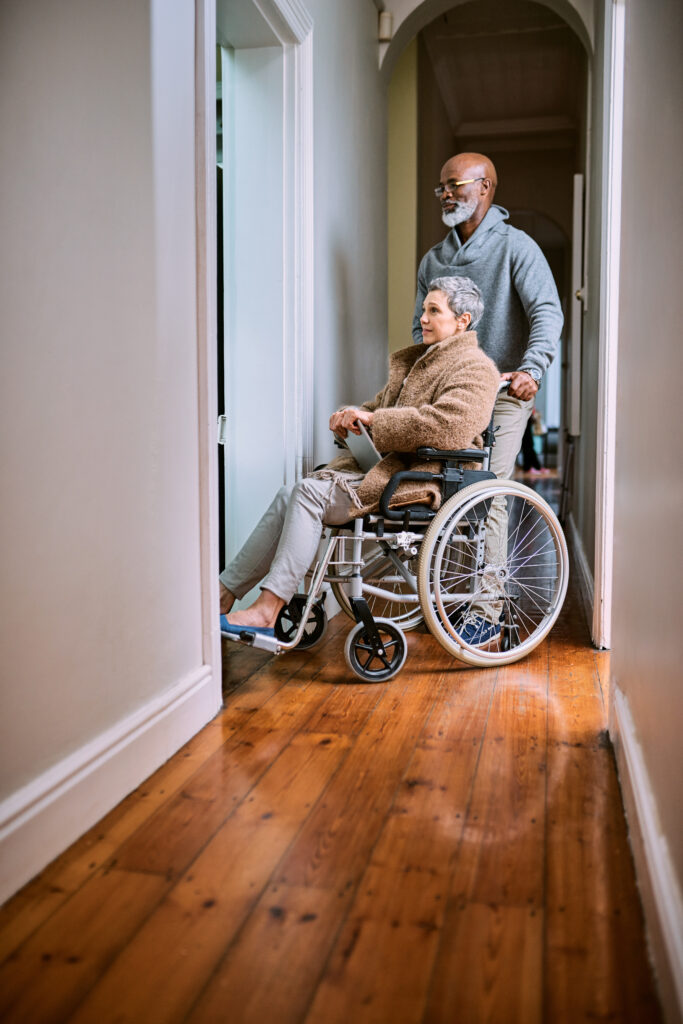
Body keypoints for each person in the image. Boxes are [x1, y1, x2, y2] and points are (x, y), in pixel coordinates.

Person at [219, 276, 500, 637]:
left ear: (462, 321)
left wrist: (374, 421)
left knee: (307, 493)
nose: (423, 318)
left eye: (434, 310)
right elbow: (377, 409)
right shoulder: (424, 361)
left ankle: (267, 610)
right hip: (392, 470)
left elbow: (448, 427)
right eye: (424, 309)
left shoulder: (476, 369)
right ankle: (224, 595)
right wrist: (352, 418)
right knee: (289, 494)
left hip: (426, 479)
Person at [412, 151, 563, 645]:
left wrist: (532, 370)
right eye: (442, 188)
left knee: (487, 490)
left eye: (455, 185)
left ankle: (490, 606)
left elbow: (547, 312)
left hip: (503, 390)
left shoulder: (517, 248)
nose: (447, 194)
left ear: (486, 188)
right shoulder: (433, 260)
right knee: (443, 488)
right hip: (450, 392)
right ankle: (445, 595)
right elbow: (423, 332)